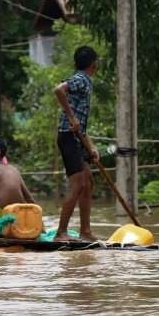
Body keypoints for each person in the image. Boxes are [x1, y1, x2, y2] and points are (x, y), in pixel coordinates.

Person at [53, 45, 100, 241]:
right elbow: (58, 90)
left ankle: (85, 231)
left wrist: (91, 148)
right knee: (78, 183)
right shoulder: (81, 78)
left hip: (78, 138)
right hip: (68, 137)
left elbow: (81, 126)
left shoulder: (86, 81)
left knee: (87, 183)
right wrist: (71, 117)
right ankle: (60, 233)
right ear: (94, 64)